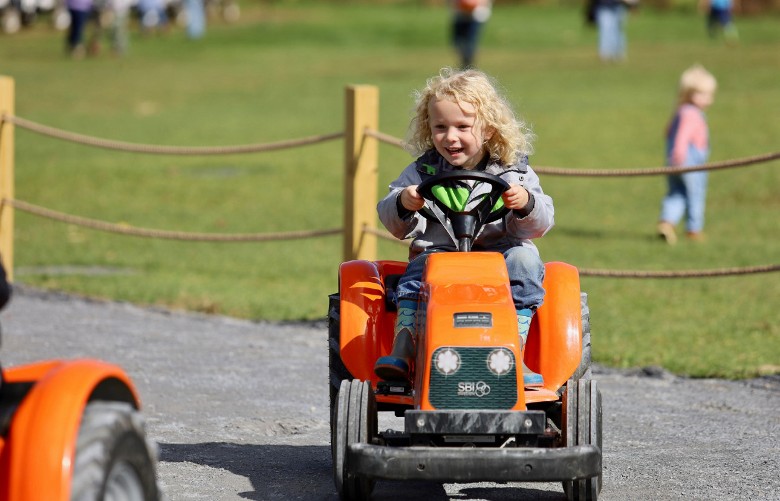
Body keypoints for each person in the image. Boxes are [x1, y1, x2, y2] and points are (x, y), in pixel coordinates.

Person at [373, 68, 555, 386]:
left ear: (487, 130)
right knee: (422, 266)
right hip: (441, 256)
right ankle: (404, 346)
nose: (450, 137)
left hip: (500, 257)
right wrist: (403, 201)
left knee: (525, 259)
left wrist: (525, 202)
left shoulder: (513, 171)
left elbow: (542, 223)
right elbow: (390, 218)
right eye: (440, 127)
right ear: (429, 130)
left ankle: (515, 350)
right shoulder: (422, 171)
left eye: (462, 126)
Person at [657, 65, 717, 244]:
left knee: (676, 193)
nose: (708, 100)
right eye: (703, 95)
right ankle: (694, 229)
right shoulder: (692, 114)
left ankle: (666, 223)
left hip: (673, 162)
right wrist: (680, 153)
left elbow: (668, 132)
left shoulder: (680, 111)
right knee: (695, 194)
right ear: (689, 93)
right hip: (689, 162)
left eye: (709, 95)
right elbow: (682, 136)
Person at [451, 0, 492, 69]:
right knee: (458, 42)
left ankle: (470, 66)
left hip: (476, 16)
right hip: (459, 16)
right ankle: (464, 64)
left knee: (470, 44)